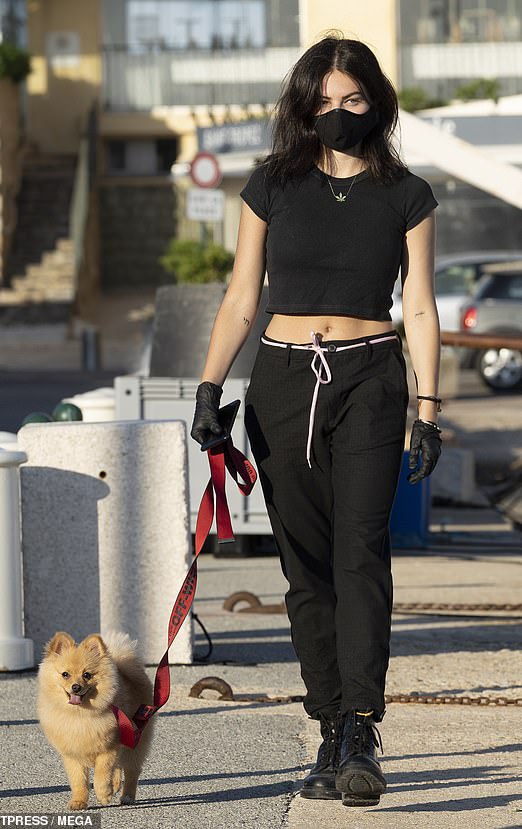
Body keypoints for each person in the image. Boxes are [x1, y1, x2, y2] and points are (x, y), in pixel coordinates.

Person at [190, 34, 442, 808]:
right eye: (324, 102)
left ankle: (363, 727)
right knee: (305, 566)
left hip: (370, 377)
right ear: (305, 107)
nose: (338, 114)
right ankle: (327, 720)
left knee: (360, 552)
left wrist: (428, 408)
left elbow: (422, 306)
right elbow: (241, 296)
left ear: (376, 104)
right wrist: (208, 388)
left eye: (354, 100)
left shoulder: (407, 194)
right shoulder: (270, 184)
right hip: (282, 382)